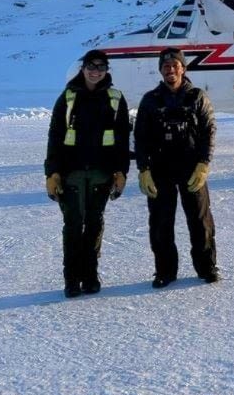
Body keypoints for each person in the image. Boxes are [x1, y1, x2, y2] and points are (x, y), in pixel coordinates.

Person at [45, 49, 130, 298]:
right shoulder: (69, 97)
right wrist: (52, 173)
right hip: (71, 173)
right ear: (83, 68)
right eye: (91, 66)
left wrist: (121, 172)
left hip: (101, 174)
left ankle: (90, 276)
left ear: (106, 70)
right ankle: (71, 280)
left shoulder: (115, 98)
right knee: (73, 225)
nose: (96, 71)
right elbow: (55, 136)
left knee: (94, 224)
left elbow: (122, 140)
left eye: (101, 67)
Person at [134, 47, 219, 287]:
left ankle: (207, 267)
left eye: (175, 66)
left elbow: (208, 131)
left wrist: (204, 163)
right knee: (161, 223)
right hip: (160, 169)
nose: (171, 70)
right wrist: (144, 169)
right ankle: (165, 271)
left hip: (191, 168)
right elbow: (141, 136)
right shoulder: (150, 100)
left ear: (183, 68)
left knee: (200, 221)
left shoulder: (197, 97)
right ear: (161, 70)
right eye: (166, 66)